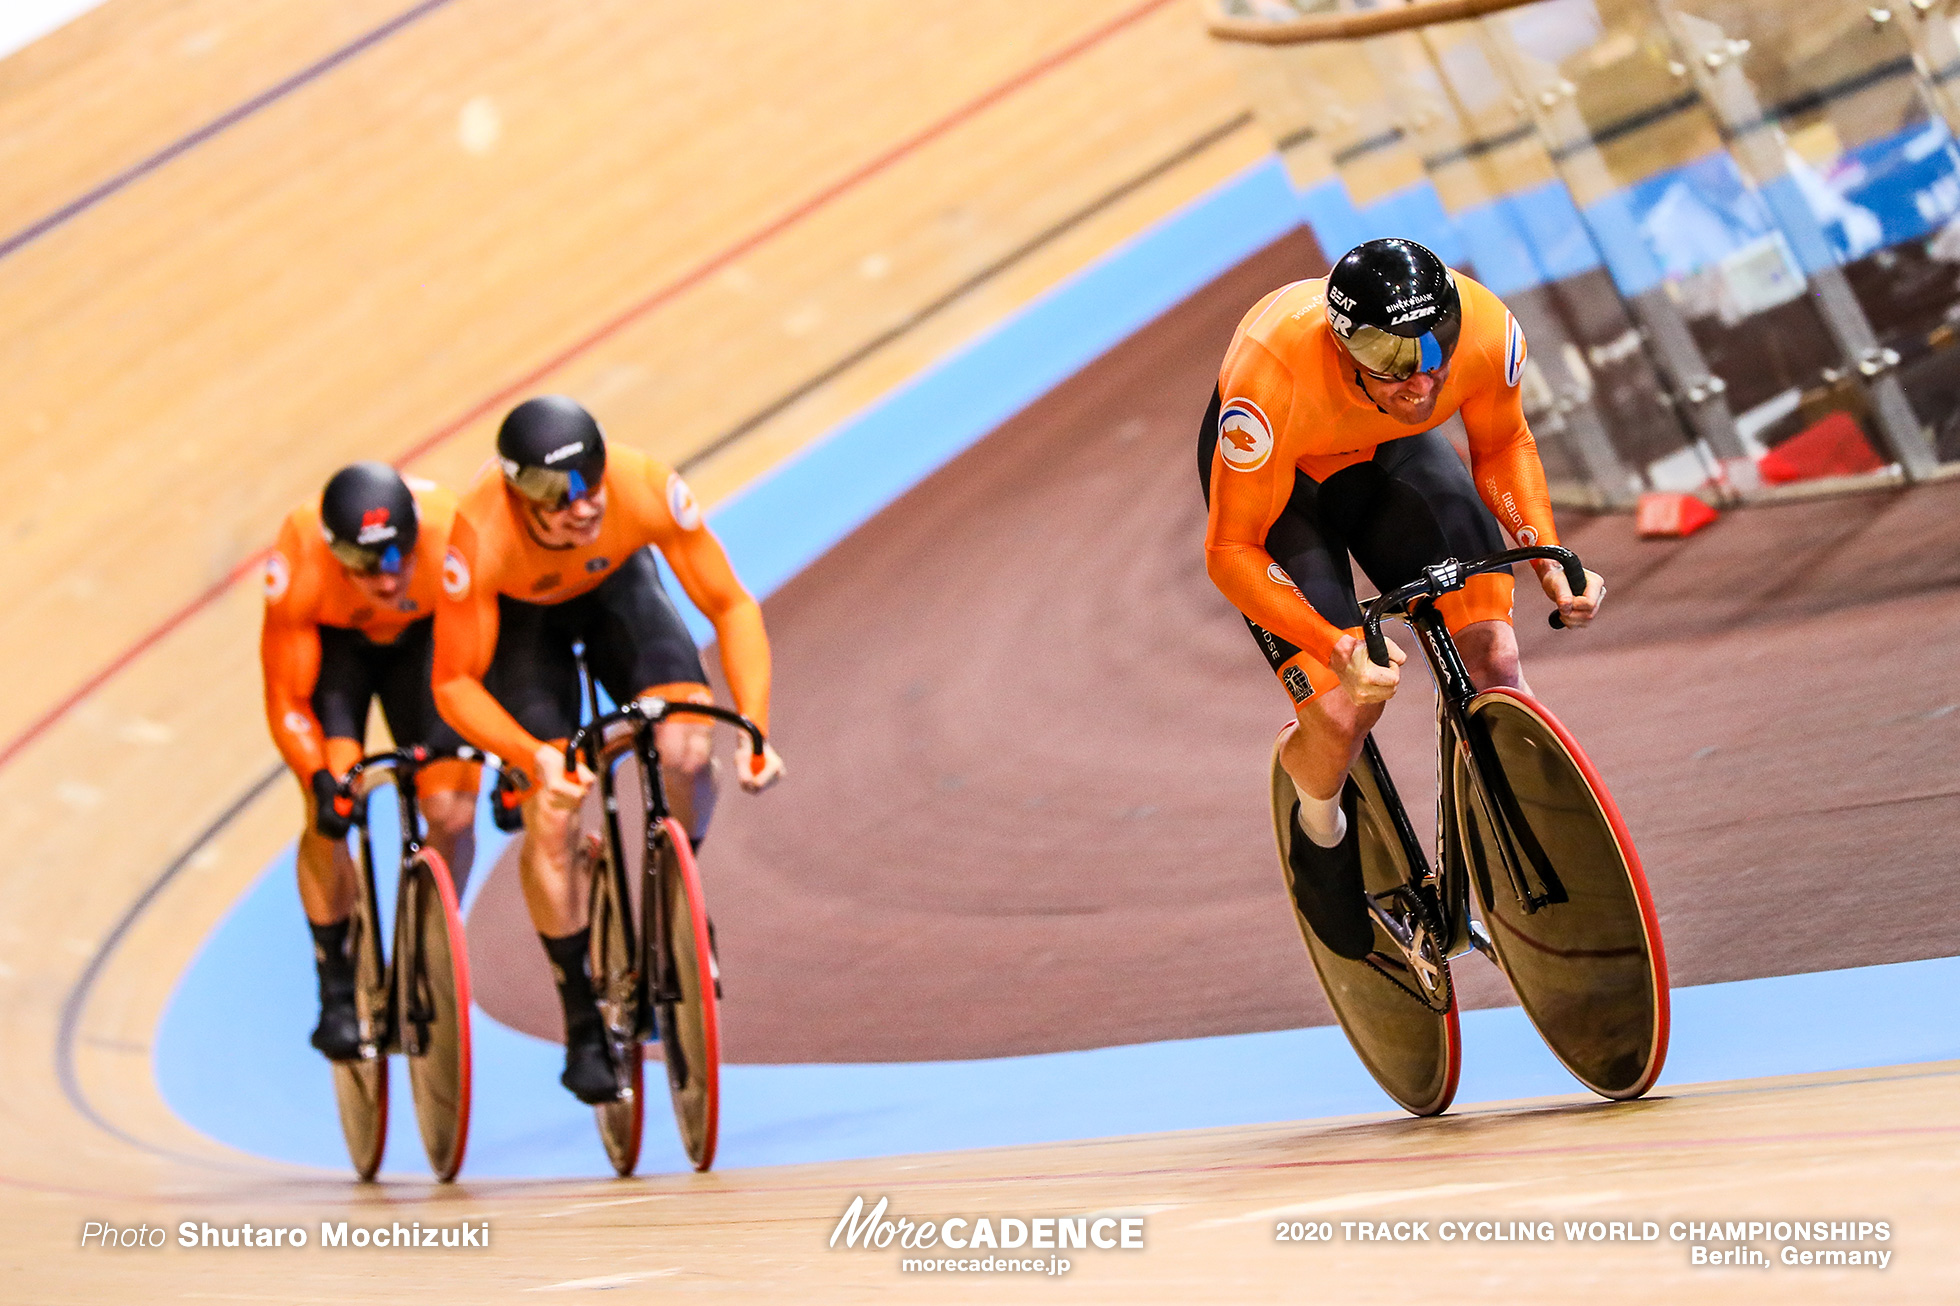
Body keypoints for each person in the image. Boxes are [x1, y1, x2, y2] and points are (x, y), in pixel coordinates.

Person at [1199, 237, 1605, 957]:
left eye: (1433, 354)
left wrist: (1544, 551)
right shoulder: (1270, 378)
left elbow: (1504, 444)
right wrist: (1337, 645)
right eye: (1391, 365)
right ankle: (1318, 820)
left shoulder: (1485, 328)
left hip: (1391, 453)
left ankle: (1539, 822)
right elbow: (1230, 551)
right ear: (1343, 343)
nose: (1420, 383)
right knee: (1347, 703)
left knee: (1494, 648)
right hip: (1284, 484)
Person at [431, 395, 784, 1103]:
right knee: (552, 812)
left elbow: (731, 605)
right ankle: (582, 1022)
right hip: (524, 626)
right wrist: (530, 757)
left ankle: (675, 901)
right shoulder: (479, 537)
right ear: (516, 493)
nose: (582, 504)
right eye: (558, 498)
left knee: (687, 749)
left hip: (619, 589)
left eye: (590, 482)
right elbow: (454, 683)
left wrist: (754, 729)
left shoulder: (644, 486)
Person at [261, 462, 481, 1059]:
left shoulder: (456, 534)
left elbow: (497, 655)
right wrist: (317, 777)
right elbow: (287, 698)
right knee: (332, 799)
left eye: (398, 558)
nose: (386, 581)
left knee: (454, 811)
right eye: (365, 566)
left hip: (430, 643)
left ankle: (430, 948)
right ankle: (335, 985)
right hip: (341, 655)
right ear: (335, 554)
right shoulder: (300, 557)